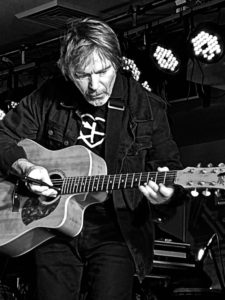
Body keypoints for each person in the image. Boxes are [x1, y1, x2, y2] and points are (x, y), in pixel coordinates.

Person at [0, 18, 188, 300]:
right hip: (52, 228)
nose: (94, 85)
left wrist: (166, 196)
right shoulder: (49, 96)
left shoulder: (147, 106)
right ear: (68, 72)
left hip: (117, 230)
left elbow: (170, 168)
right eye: (82, 75)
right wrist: (26, 168)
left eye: (103, 71)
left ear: (117, 61)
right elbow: (3, 137)